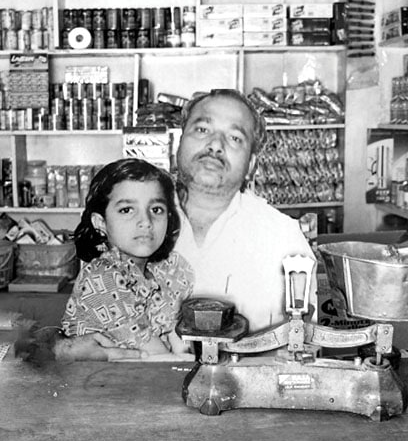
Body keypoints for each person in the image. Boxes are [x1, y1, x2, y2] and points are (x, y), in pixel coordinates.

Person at [173, 88, 316, 333]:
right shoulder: (132, 219)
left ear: (251, 165)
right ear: (178, 143)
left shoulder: (283, 238)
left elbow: (302, 347)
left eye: (235, 138)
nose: (215, 145)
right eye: (202, 129)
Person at [54, 158, 194, 361]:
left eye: (156, 210)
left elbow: (177, 340)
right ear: (100, 222)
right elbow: (154, 354)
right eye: (127, 210)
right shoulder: (102, 276)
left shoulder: (164, 271)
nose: (146, 222)